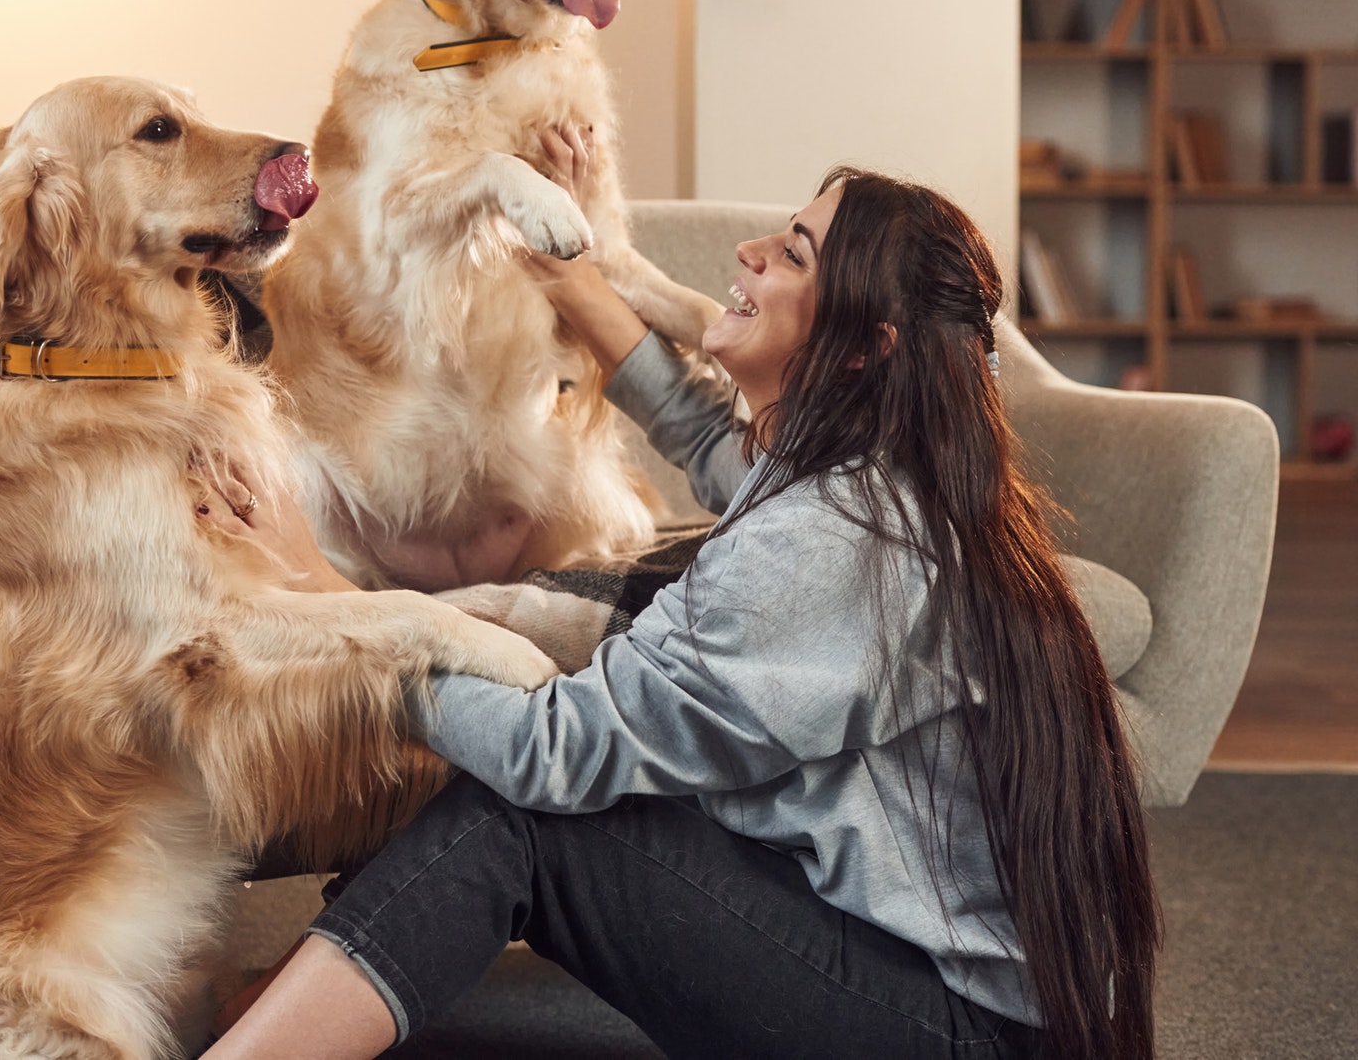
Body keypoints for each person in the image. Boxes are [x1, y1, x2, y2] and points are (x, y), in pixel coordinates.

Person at [204, 135, 1158, 1060]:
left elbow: (556, 752)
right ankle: (275, 1008)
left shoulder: (837, 542)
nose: (749, 253)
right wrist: (573, 283)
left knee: (524, 814)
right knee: (526, 754)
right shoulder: (880, 461)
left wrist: (327, 595)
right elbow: (717, 445)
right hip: (946, 986)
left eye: (793, 253)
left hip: (950, 1029)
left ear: (867, 346)